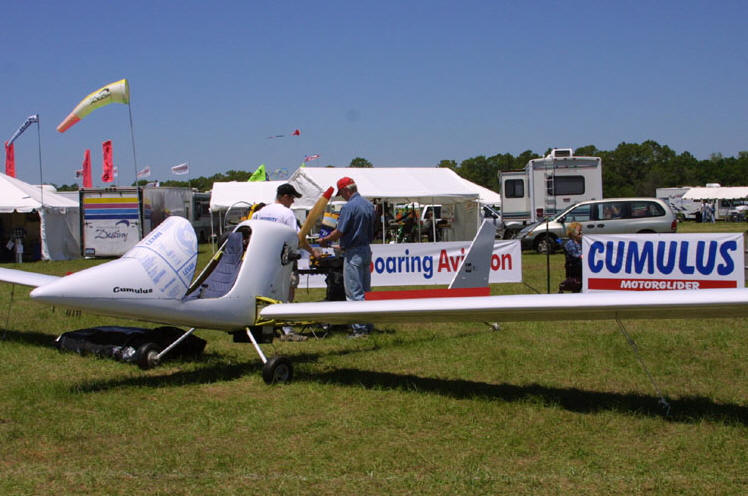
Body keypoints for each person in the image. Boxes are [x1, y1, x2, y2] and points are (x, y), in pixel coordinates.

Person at [252, 183, 318, 341]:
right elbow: (298, 239)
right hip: (284, 260)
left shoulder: (260, 212)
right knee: (287, 292)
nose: (293, 202)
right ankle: (287, 330)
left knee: (266, 294)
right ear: (285, 197)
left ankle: (267, 327)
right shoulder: (287, 214)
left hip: (264, 260)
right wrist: (313, 251)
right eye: (292, 198)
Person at [318, 177, 376, 338]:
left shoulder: (349, 207)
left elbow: (340, 231)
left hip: (353, 253)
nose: (342, 197)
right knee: (366, 292)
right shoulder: (369, 205)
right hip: (366, 250)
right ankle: (368, 325)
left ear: (345, 190)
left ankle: (360, 329)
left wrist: (325, 239)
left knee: (353, 293)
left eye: (342, 193)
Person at [559, 222, 583, 293]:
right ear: (573, 233)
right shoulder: (570, 243)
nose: (581, 232)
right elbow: (576, 255)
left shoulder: (582, 242)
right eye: (579, 231)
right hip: (574, 267)